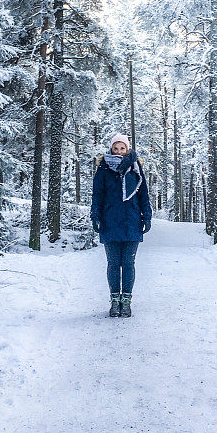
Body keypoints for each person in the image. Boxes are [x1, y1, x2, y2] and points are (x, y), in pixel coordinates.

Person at [91, 133, 152, 318]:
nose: (119, 151)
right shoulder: (103, 169)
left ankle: (126, 301)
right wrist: (95, 216)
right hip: (110, 222)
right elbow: (97, 195)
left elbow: (144, 195)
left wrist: (147, 217)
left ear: (127, 149)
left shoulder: (135, 168)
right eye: (115, 148)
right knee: (113, 263)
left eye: (122, 148)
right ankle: (114, 301)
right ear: (111, 149)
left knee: (128, 263)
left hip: (132, 221)